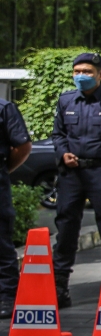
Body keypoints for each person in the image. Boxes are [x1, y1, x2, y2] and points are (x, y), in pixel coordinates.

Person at [51, 53, 101, 308]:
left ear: (100, 74)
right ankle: (59, 287)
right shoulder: (66, 99)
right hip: (72, 174)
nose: (81, 76)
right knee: (66, 228)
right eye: (77, 71)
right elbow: (58, 133)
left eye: (87, 71)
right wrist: (63, 153)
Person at [0, 99, 31, 318]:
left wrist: (4, 170)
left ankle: (7, 297)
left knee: (1, 241)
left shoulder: (3, 108)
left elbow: (22, 146)